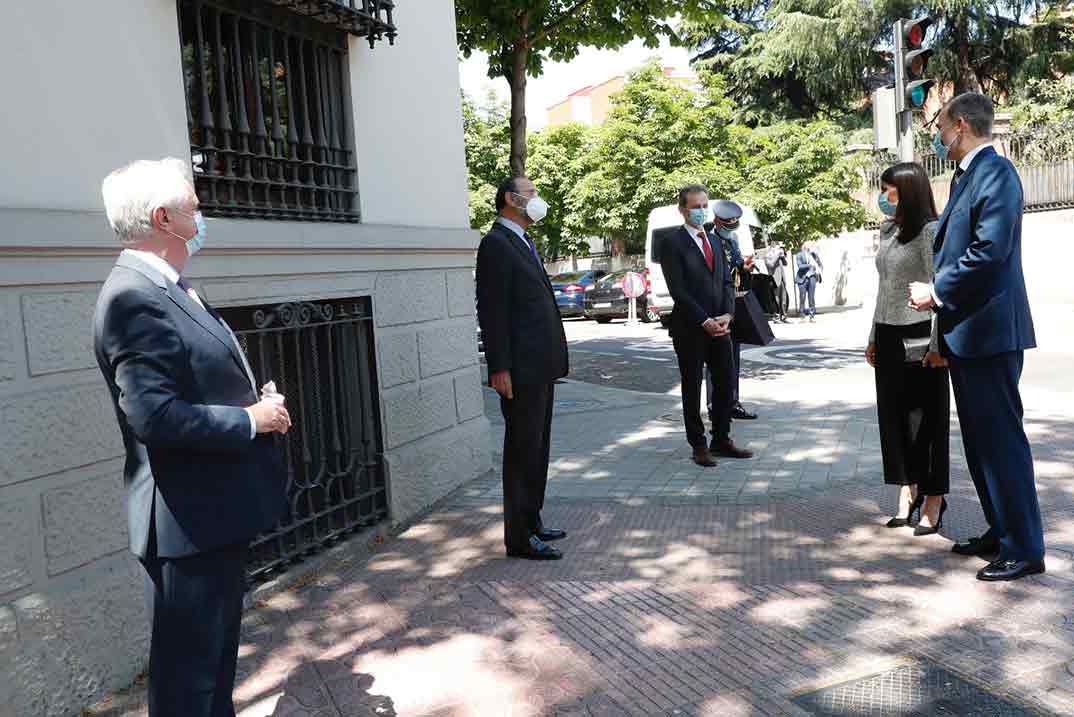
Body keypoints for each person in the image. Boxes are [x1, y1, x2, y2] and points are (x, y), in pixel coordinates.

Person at [93, 158, 291, 717]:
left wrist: (256, 401)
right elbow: (155, 417)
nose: (201, 218)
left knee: (212, 673)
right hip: (186, 524)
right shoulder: (134, 296)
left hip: (210, 515)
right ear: (163, 218)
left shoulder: (165, 288)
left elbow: (191, 382)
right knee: (189, 685)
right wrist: (253, 420)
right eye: (194, 209)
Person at [909, 92, 1044, 582]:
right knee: (982, 444)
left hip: (990, 334)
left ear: (960, 124)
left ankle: (1026, 548)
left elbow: (990, 250)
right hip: (970, 335)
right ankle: (1001, 531)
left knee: (1002, 444)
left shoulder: (997, 173)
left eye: (940, 127)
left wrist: (937, 291)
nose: (937, 136)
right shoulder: (969, 177)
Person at [476, 176, 569, 560]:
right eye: (531, 194)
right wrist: (499, 368)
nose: (537, 199)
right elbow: (493, 311)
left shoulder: (523, 240)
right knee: (521, 451)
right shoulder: (495, 243)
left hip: (539, 365)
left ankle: (532, 520)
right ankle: (518, 537)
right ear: (511, 200)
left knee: (538, 447)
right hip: (519, 368)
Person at [866, 162, 951, 536]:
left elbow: (941, 291)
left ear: (908, 191)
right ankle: (907, 489)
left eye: (890, 190)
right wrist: (872, 335)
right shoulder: (887, 230)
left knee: (927, 422)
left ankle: (934, 497)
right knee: (894, 419)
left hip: (920, 336)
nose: (884, 197)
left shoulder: (929, 232)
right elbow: (884, 288)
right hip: (886, 334)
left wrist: (938, 344)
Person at [662, 185, 753, 467]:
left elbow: (727, 280)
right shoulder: (672, 242)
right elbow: (678, 290)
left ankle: (722, 438)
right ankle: (698, 445)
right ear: (682, 210)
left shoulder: (714, 241)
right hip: (691, 329)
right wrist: (705, 320)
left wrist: (727, 314)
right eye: (695, 206)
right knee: (692, 386)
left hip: (721, 327)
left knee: (726, 382)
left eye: (705, 205)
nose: (701, 211)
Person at [704, 202, 757, 421]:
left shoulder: (732, 239)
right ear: (717, 221)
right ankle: (714, 405)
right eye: (727, 225)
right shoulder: (707, 239)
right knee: (715, 359)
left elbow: (735, 264)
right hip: (713, 308)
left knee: (733, 357)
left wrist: (745, 266)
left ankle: (732, 402)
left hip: (731, 305)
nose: (730, 228)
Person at [795, 242, 823, 321]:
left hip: (812, 277)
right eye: (809, 245)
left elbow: (820, 264)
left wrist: (819, 270)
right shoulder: (799, 255)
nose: (811, 246)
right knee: (802, 297)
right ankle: (802, 315)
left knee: (811, 297)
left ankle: (812, 315)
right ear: (805, 246)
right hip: (802, 278)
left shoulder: (814, 255)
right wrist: (810, 265)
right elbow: (800, 266)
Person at [764, 243, 790, 323]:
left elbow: (786, 264)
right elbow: (771, 265)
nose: (779, 250)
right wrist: (777, 256)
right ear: (772, 248)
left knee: (784, 299)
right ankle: (776, 317)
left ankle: (784, 316)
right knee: (776, 300)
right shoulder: (767, 256)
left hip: (782, 279)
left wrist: (782, 257)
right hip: (774, 279)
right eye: (777, 248)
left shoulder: (779, 256)